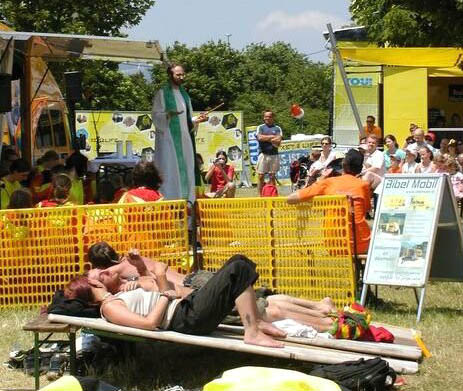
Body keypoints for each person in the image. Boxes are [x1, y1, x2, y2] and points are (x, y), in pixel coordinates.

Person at [86, 244, 336, 331]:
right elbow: (156, 295)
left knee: (264, 304)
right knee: (266, 303)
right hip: (192, 289)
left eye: (99, 271)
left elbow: (156, 285)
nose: (102, 274)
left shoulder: (125, 275)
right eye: (98, 276)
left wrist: (146, 274)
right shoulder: (126, 275)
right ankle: (322, 314)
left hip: (193, 288)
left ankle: (322, 316)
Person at [67, 255, 289, 348]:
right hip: (187, 318)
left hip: (188, 308)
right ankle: (252, 331)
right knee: (237, 269)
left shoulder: (117, 296)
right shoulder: (110, 307)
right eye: (101, 274)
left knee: (239, 261)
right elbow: (149, 324)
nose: (107, 271)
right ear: (95, 286)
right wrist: (166, 295)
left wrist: (148, 278)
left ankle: (255, 322)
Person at [287, 149, 371, 254]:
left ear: (343, 164)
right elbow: (366, 208)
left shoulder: (327, 183)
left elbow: (291, 198)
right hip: (360, 243)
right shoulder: (363, 185)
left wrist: (322, 178)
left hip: (334, 244)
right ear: (359, 169)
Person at [152, 63, 207, 204]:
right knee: (170, 173)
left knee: (186, 172)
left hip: (184, 141)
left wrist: (196, 120)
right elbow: (156, 117)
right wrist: (167, 115)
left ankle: (187, 206)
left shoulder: (185, 95)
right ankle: (169, 205)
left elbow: (186, 121)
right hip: (169, 142)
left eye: (183, 74)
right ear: (170, 75)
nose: (182, 77)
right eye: (178, 75)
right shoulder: (162, 94)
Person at [255, 111, 282, 195]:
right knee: (260, 176)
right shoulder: (261, 127)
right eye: (265, 116)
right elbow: (259, 137)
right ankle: (261, 196)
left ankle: (273, 196)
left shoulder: (277, 128)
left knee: (272, 176)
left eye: (269, 116)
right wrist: (272, 137)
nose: (266, 118)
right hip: (263, 154)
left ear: (272, 117)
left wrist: (266, 138)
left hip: (274, 155)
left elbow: (278, 140)